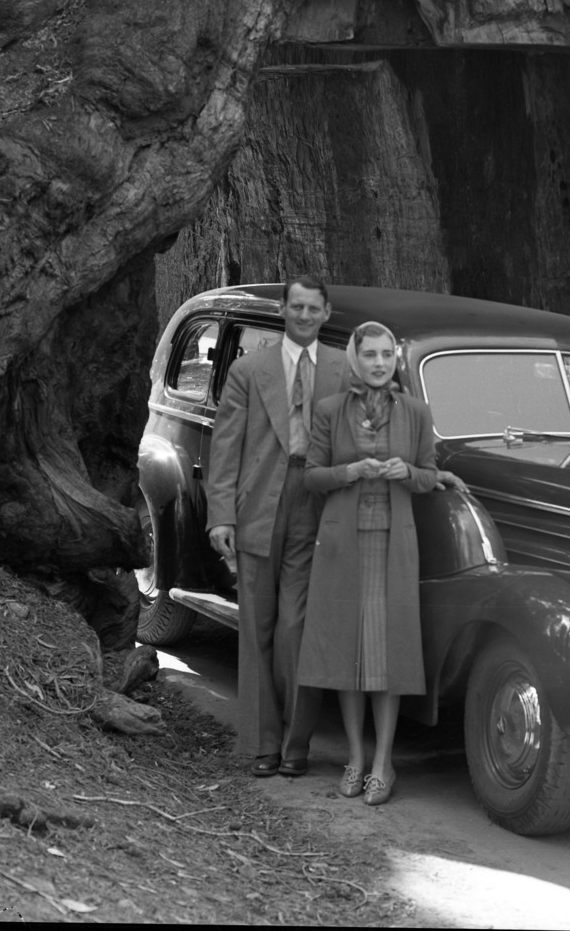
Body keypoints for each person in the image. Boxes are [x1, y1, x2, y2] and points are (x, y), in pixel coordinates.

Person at [206, 274, 350, 776]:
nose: (305, 316)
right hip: (257, 506)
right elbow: (223, 448)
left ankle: (296, 746)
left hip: (314, 504)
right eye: (297, 307)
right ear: (283, 311)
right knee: (257, 626)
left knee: (297, 628)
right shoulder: (250, 370)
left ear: (326, 313)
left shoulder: (343, 369)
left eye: (314, 308)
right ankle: (262, 745)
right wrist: (220, 515)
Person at [297, 321, 441, 807]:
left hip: (393, 545)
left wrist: (409, 472)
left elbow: (430, 475)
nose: (379, 363)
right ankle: (355, 759)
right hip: (343, 547)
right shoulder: (330, 411)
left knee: (387, 658)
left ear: (395, 359)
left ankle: (384, 763)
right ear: (356, 358)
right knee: (347, 654)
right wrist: (350, 472)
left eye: (386, 355)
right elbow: (311, 477)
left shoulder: (416, 412)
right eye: (370, 355)